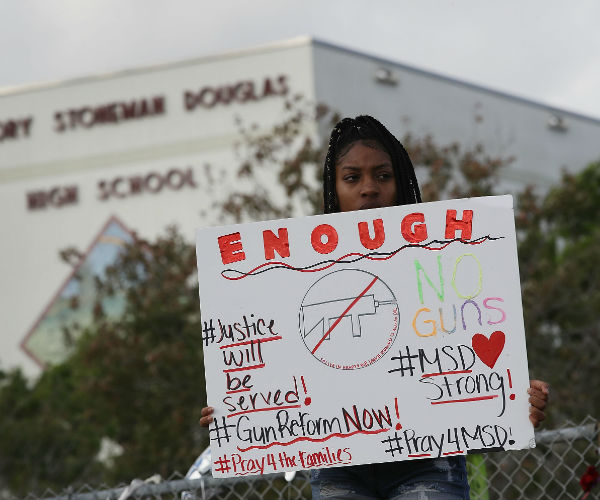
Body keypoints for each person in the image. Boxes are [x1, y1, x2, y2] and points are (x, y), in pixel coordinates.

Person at [200, 115, 550, 499]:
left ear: (401, 182)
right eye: (352, 178)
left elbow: (475, 376)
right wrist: (237, 410)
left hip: (428, 461)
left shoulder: (446, 257)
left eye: (383, 176)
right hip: (338, 468)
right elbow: (275, 361)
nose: (369, 189)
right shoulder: (291, 276)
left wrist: (513, 403)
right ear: (334, 188)